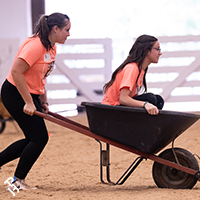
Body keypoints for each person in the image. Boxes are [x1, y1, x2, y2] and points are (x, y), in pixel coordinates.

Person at [0, 12, 71, 190]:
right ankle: (17, 181)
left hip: (30, 93)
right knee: (39, 138)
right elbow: (17, 72)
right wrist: (28, 102)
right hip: (14, 92)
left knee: (33, 137)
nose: (69, 34)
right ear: (55, 29)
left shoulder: (51, 46)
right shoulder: (35, 45)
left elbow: (40, 76)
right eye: (67, 30)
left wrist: (43, 100)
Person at [102, 34, 164, 115]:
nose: (160, 53)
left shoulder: (140, 70)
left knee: (158, 100)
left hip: (118, 108)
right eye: (157, 49)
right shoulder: (132, 68)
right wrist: (145, 104)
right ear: (147, 51)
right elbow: (123, 99)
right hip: (111, 109)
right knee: (150, 99)